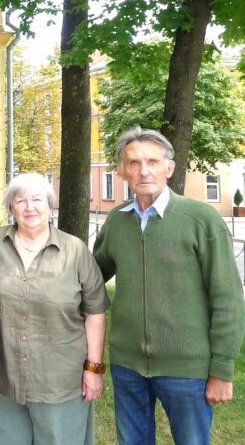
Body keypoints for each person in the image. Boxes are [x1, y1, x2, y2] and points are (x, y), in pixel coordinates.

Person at [94, 127, 245, 445]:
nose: (143, 170)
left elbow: (227, 298)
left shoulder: (201, 220)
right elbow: (91, 278)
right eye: (133, 163)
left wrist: (221, 370)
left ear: (169, 167)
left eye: (152, 161)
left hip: (187, 367)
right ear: (122, 171)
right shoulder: (117, 221)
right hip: (128, 366)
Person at [0, 173, 109, 445]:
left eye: (37, 199)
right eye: (20, 200)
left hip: (60, 381)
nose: (30, 207)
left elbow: (95, 311)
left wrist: (93, 369)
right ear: (11, 207)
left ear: (49, 205)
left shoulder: (74, 250)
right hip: (3, 375)